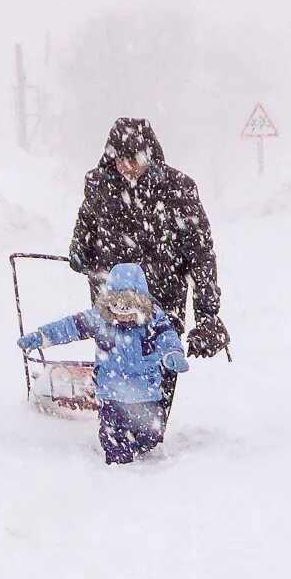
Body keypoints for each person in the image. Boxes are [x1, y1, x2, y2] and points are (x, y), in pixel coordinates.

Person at [69, 117, 228, 428]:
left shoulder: (177, 189)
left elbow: (201, 255)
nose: (127, 167)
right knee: (116, 381)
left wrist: (207, 314)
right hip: (112, 309)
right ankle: (118, 438)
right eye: (120, 159)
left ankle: (148, 434)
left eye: (134, 158)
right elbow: (83, 235)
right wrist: (83, 256)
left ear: (149, 154)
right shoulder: (99, 186)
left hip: (163, 304)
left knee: (156, 379)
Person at [17, 263, 189, 465]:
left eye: (130, 309)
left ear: (142, 305)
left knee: (149, 436)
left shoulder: (155, 321)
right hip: (112, 393)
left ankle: (142, 445)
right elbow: (69, 327)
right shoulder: (99, 319)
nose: (124, 316)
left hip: (146, 392)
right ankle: (117, 467)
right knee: (114, 439)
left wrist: (172, 353)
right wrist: (41, 336)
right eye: (117, 308)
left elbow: (168, 338)